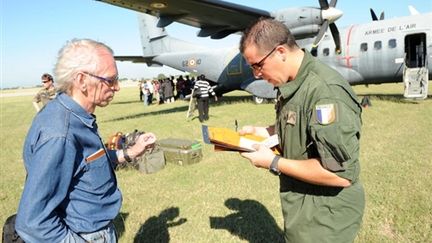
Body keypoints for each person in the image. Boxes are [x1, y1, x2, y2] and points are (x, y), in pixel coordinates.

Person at [15, 38, 156, 243]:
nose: (116, 87)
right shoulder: (60, 134)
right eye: (110, 80)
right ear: (81, 80)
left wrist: (131, 152)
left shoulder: (75, 117)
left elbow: (88, 161)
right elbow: (33, 222)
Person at [238, 18, 365, 242]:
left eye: (258, 65)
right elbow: (297, 127)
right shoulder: (293, 82)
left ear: (280, 52)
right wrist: (260, 131)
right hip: (304, 210)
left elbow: (339, 175)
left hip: (325, 218)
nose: (256, 74)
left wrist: (273, 162)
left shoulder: (325, 93)